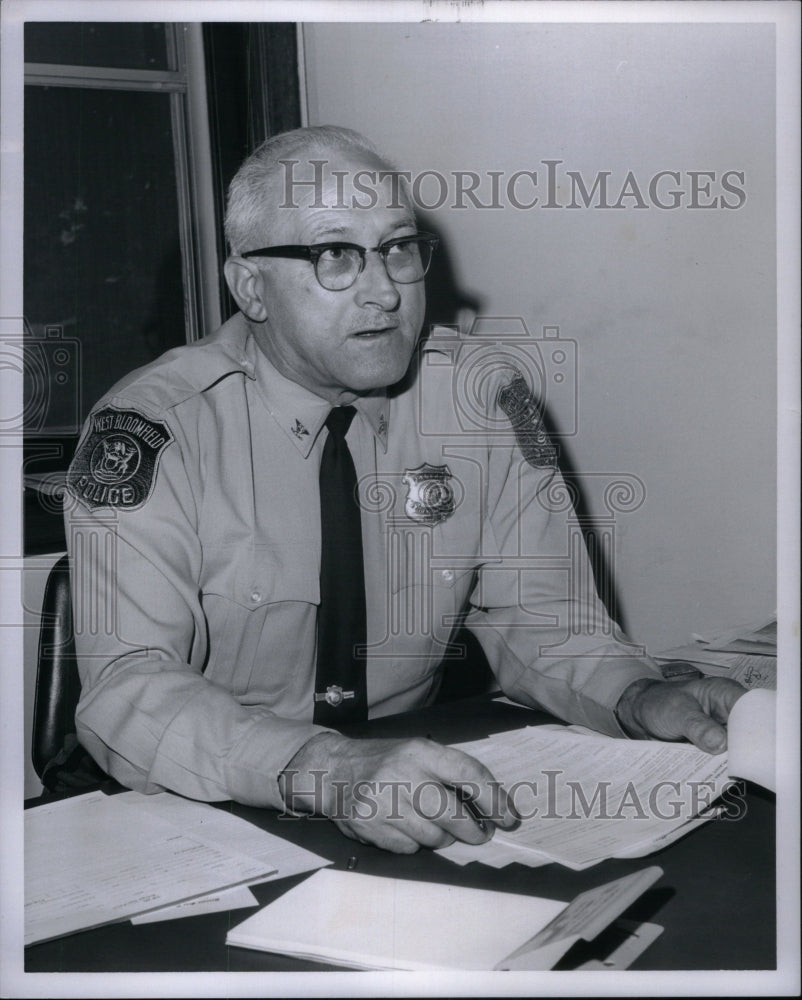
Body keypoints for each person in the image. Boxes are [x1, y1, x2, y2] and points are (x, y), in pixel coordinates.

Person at [64, 125, 744, 854]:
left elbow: (542, 620)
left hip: (403, 790)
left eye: (398, 248)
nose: (385, 291)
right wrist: (325, 766)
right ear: (250, 287)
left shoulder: (481, 397)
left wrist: (636, 697)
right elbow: (130, 688)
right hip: (203, 807)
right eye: (335, 256)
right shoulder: (150, 428)